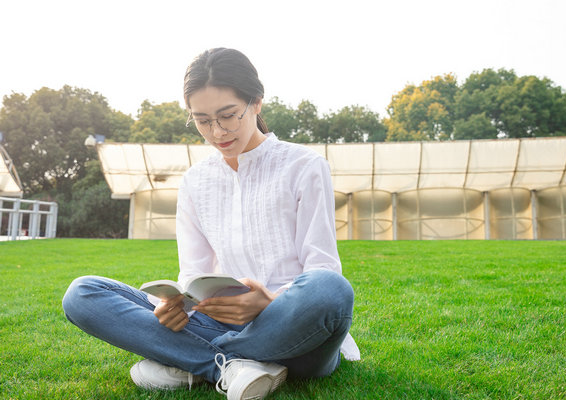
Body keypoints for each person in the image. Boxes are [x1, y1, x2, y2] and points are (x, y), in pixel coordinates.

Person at [62, 47, 359, 400]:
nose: (217, 132)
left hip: (294, 328)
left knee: (330, 289)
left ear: (257, 102)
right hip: (217, 320)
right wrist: (174, 306)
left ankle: (191, 360)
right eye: (202, 120)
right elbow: (192, 274)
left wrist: (270, 302)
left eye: (228, 116)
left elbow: (323, 266)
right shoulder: (195, 181)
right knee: (83, 294)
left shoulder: (304, 166)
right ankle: (231, 366)